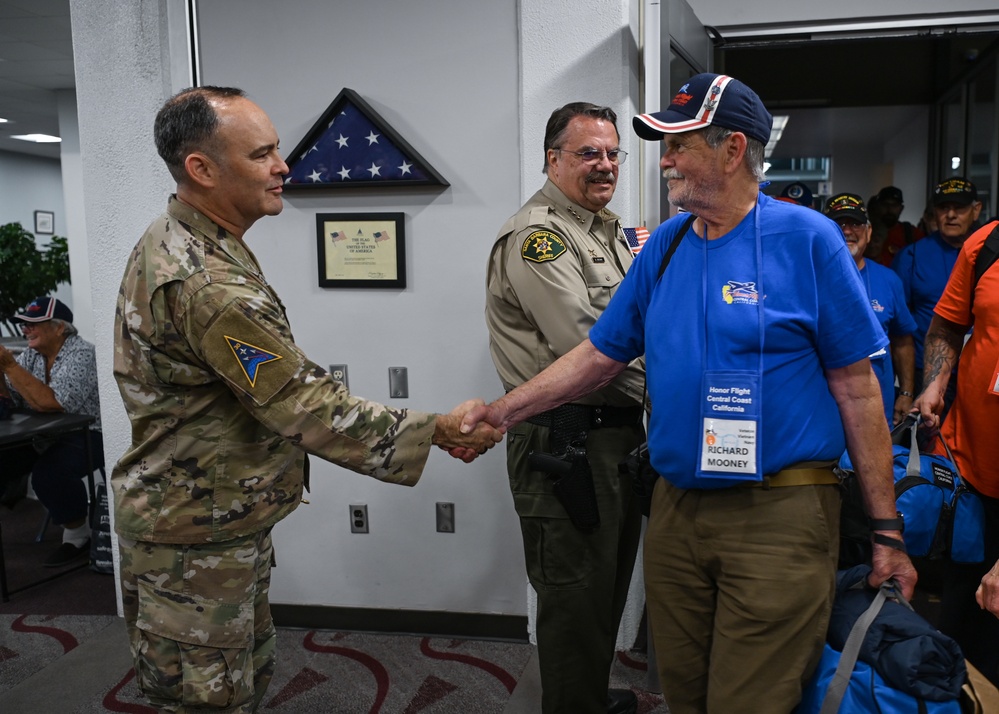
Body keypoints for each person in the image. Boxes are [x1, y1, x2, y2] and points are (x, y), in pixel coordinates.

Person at [458, 73, 916, 714]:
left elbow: (859, 393)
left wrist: (887, 531)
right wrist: (501, 413)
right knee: (684, 696)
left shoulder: (808, 240)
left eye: (679, 144)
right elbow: (596, 355)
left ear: (733, 151)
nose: (663, 159)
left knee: (748, 700)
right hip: (674, 513)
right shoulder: (666, 244)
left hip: (778, 512)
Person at [113, 86, 502, 713]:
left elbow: (276, 380)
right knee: (207, 701)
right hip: (192, 543)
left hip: (207, 525)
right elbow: (302, 403)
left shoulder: (197, 244)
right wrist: (437, 428)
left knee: (241, 680)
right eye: (261, 154)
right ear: (202, 169)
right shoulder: (206, 281)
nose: (282, 167)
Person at [484, 102, 645, 714]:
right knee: (574, 597)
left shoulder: (605, 230)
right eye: (588, 153)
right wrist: (679, 395)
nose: (604, 165)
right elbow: (591, 350)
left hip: (613, 439)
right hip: (567, 443)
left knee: (603, 591)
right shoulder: (540, 237)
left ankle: (587, 699)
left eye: (611, 153)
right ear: (553, 159)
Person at [914, 216, 999, 685]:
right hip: (971, 477)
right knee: (961, 639)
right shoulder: (986, 244)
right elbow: (946, 327)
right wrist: (934, 383)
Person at [0, 296, 103, 567]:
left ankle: (78, 536)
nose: (26, 329)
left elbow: (54, 403)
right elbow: (11, 399)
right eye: (24, 324)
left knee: (49, 474)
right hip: (46, 434)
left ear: (60, 327)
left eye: (34, 324)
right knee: (4, 460)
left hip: (90, 432)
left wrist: (9, 366)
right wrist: (1, 371)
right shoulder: (32, 354)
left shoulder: (81, 353)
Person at [824, 193, 917, 424]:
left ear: (869, 231)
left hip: (876, 409)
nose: (847, 231)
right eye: (838, 224)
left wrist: (906, 393)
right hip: (824, 407)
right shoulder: (809, 278)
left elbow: (902, 342)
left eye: (855, 224)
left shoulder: (888, 280)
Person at [892, 177, 982, 413]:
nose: (950, 215)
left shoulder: (989, 254)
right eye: (944, 208)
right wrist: (906, 389)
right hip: (928, 372)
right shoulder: (911, 257)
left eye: (959, 208)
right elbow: (899, 328)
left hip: (977, 371)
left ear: (976, 210)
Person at [867, 185, 925, 266]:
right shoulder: (865, 232)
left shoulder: (912, 233)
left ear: (901, 208)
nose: (889, 209)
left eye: (894, 205)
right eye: (885, 204)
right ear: (878, 206)